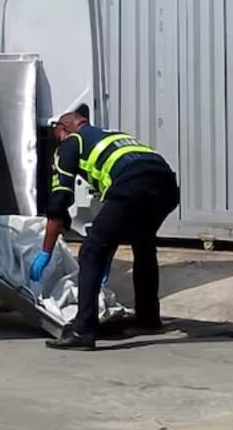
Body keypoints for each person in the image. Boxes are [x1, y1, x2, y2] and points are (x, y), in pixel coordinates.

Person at [29, 111, 179, 350]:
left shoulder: (72, 142)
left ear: (64, 128)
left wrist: (46, 251)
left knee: (90, 250)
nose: (57, 140)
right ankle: (148, 318)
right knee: (143, 245)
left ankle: (83, 331)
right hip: (166, 186)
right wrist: (107, 252)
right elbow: (113, 219)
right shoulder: (113, 137)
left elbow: (59, 201)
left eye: (56, 134)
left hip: (133, 182)